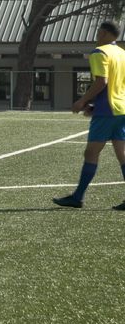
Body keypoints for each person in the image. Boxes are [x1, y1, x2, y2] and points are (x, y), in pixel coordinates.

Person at [53, 21, 125, 210]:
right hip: (122, 109)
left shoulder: (100, 52)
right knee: (122, 154)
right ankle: (77, 196)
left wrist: (82, 101)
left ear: (102, 33)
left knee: (91, 152)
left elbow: (102, 82)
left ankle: (77, 197)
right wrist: (95, 104)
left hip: (107, 110)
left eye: (98, 32)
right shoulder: (122, 53)